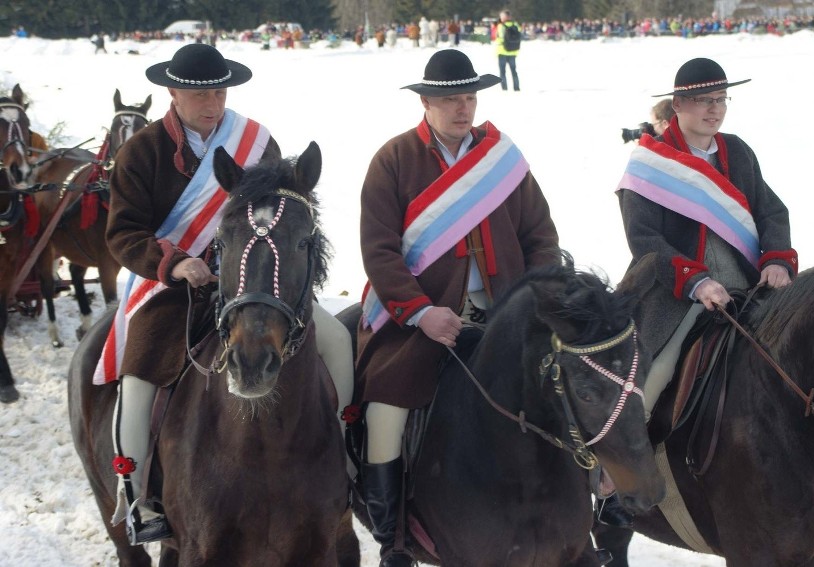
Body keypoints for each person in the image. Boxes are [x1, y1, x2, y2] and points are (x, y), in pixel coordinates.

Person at [96, 43, 353, 546]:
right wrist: (173, 263)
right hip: (172, 287)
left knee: (338, 342)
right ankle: (139, 492)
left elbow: (283, 212)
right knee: (140, 367)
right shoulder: (140, 152)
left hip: (258, 284)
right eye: (198, 93)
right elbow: (122, 233)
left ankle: (345, 465)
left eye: (218, 90)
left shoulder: (257, 142)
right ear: (172, 92)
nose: (210, 102)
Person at [356, 49, 559, 566]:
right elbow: (378, 249)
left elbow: (540, 236)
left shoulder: (503, 158)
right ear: (425, 102)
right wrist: (421, 312)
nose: (462, 108)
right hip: (419, 318)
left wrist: (533, 299)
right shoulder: (393, 159)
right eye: (450, 100)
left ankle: (579, 511)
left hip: (506, 312)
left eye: (469, 98)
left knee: (565, 393)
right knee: (386, 410)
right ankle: (392, 534)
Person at [612, 57, 797, 524]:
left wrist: (776, 258)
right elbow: (645, 241)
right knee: (655, 373)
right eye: (703, 101)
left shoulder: (738, 152)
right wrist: (695, 279)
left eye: (720, 100)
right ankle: (616, 479)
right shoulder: (648, 161)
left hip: (749, 287)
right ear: (678, 105)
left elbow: (771, 211)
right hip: (675, 295)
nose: (714, 111)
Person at [495, 10, 521, 91]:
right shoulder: (516, 25)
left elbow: (500, 38)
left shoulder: (500, 26)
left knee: (502, 72)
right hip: (513, 52)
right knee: (514, 71)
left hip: (502, 51)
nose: (500, 18)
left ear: (505, 17)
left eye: (501, 16)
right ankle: (516, 88)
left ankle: (504, 88)